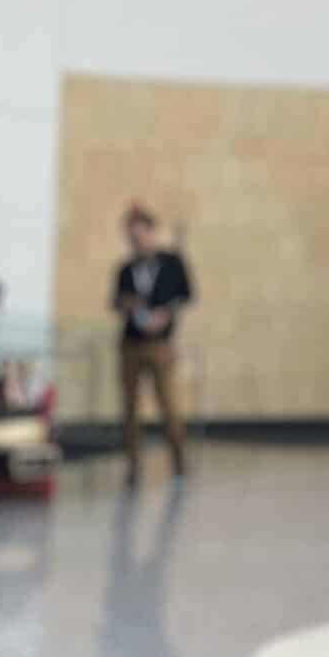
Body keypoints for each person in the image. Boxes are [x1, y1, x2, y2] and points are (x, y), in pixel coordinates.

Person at [113, 203, 194, 484]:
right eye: (131, 237)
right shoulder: (125, 269)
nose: (136, 241)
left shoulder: (171, 263)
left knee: (168, 403)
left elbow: (186, 294)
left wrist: (166, 313)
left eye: (140, 235)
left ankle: (179, 463)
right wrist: (127, 304)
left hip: (160, 344)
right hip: (131, 343)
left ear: (151, 232)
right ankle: (133, 467)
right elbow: (116, 301)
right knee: (130, 407)